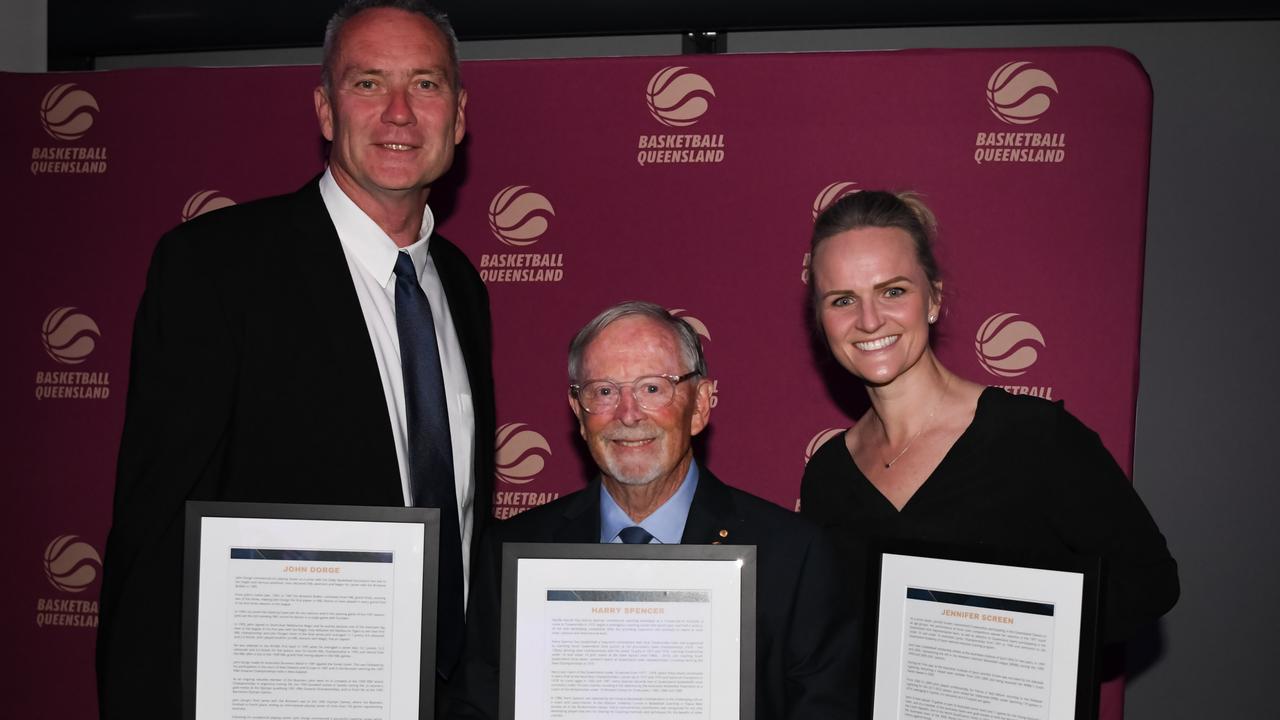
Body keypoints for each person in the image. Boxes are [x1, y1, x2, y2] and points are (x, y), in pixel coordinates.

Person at [96, 1, 493, 716]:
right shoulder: (216, 269)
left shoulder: (459, 285)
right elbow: (153, 538)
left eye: (426, 85)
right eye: (368, 83)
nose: (400, 113)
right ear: (324, 109)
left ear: (459, 117)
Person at [800, 191, 1178, 651]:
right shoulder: (829, 475)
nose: (869, 320)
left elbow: (1149, 580)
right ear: (821, 320)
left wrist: (1018, 654)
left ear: (933, 299)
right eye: (842, 300)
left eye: (893, 291)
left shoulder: (1034, 437)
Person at [450, 301, 859, 720]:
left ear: (700, 405)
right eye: (604, 391)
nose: (627, 414)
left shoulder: (793, 556)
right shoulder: (514, 552)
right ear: (578, 411)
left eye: (652, 388)